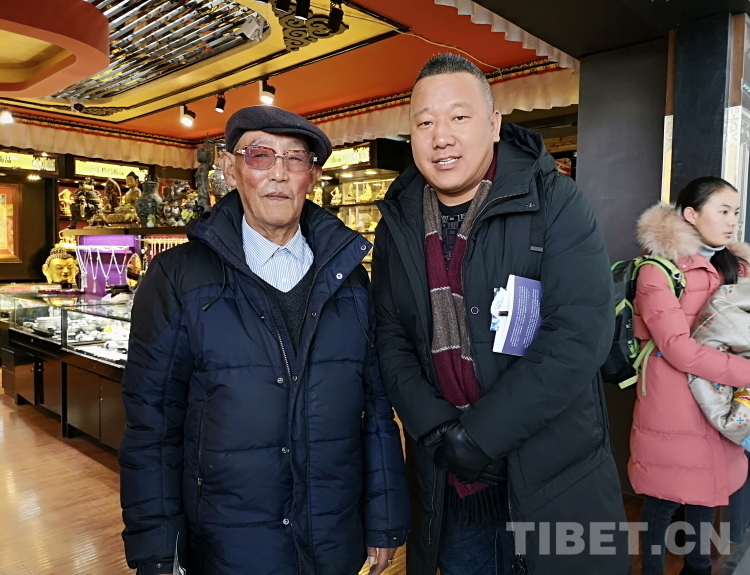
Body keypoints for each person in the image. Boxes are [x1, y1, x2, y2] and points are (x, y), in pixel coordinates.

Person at [119, 106, 409, 575]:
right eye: (259, 155)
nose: (278, 173)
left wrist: (385, 520)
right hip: (226, 546)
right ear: (230, 169)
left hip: (331, 539)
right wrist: (157, 549)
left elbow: (375, 412)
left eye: (295, 158)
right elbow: (152, 425)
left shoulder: (350, 280)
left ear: (312, 176)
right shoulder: (178, 277)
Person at [371, 52, 629, 575]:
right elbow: (390, 336)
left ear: (493, 125)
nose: (441, 137)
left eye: (459, 117)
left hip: (554, 477)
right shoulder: (397, 221)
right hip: (451, 488)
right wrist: (438, 433)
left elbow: (579, 332)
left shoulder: (554, 200)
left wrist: (480, 437)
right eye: (425, 123)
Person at [629, 177, 750, 575]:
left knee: (706, 491)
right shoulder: (658, 269)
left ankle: (697, 567)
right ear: (691, 214)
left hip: (718, 397)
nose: (732, 220)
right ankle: (651, 569)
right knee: (665, 494)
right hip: (674, 402)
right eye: (723, 211)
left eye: (735, 212)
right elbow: (677, 347)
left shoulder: (734, 266)